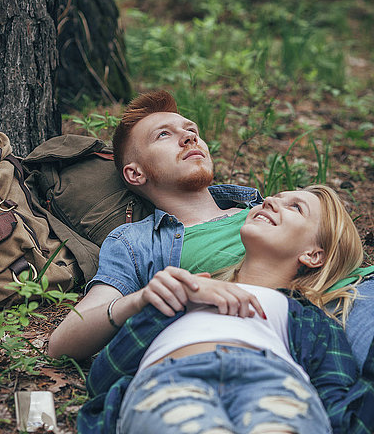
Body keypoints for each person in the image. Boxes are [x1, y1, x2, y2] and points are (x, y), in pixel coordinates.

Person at [48, 90, 374, 368]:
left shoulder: (262, 209)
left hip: (355, 292)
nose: (189, 136)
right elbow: (61, 344)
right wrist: (140, 300)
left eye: (191, 130)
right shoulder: (136, 242)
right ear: (135, 174)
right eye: (164, 134)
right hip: (278, 328)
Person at [77, 185, 374, 434]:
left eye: (295, 207)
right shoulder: (188, 289)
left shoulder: (311, 319)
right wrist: (159, 303)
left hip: (273, 380)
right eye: (277, 197)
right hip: (174, 378)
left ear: (313, 255)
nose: (271, 200)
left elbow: (338, 409)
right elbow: (105, 376)